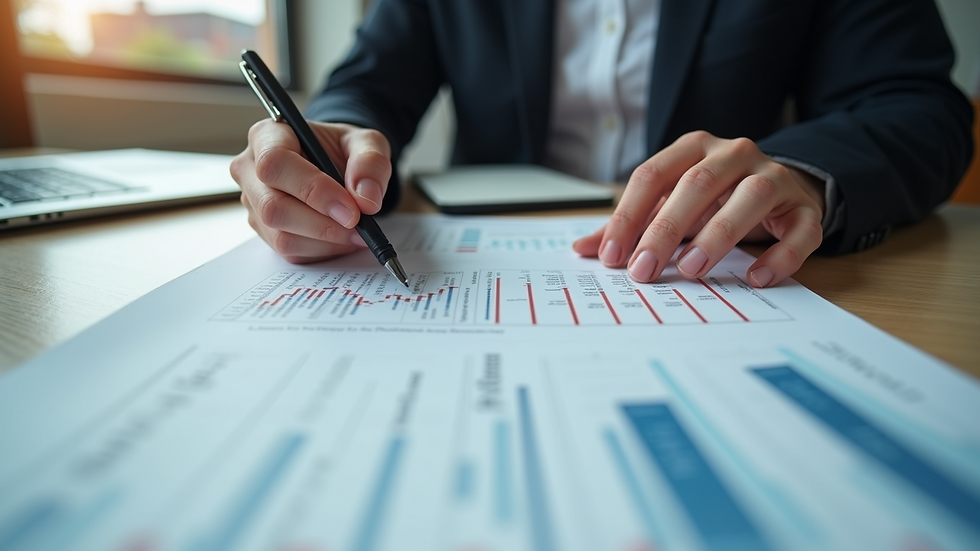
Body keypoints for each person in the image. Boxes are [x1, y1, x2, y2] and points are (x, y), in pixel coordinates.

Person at [230, 0, 974, 288]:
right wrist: (324, 148)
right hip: (485, 251)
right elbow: (366, 85)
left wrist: (806, 174)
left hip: (716, 259)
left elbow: (919, 106)